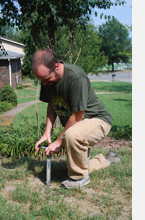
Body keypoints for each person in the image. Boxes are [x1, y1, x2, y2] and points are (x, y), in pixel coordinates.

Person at [32, 48, 121, 189]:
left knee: (71, 136)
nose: (44, 84)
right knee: (77, 162)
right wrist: (46, 132)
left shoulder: (75, 77)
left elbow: (78, 115)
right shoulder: (47, 80)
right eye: (41, 80)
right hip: (80, 123)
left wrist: (59, 141)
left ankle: (79, 179)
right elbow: (52, 104)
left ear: (56, 66)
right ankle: (108, 160)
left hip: (97, 119)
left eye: (46, 79)